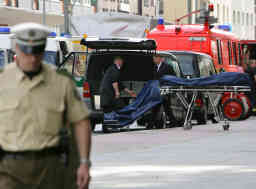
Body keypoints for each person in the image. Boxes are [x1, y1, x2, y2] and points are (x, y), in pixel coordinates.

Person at [0, 23, 91, 189]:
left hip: (50, 167)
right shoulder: (2, 81)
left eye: (38, 51)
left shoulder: (61, 82)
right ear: (16, 49)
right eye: (27, 52)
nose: (33, 58)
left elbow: (81, 121)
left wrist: (84, 163)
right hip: (9, 168)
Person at [150, 54, 177, 128]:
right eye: (153, 58)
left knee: (165, 107)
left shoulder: (168, 67)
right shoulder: (154, 67)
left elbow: (173, 77)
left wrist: (169, 86)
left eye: (155, 58)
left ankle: (151, 124)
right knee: (157, 107)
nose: (153, 59)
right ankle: (172, 122)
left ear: (160, 59)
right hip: (157, 90)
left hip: (165, 90)